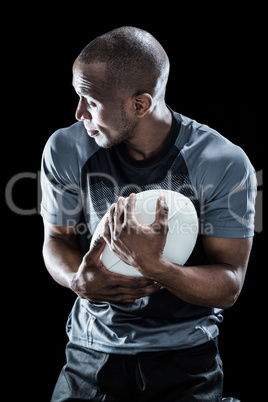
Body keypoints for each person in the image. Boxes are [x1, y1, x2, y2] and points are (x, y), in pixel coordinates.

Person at [41, 26, 256, 401]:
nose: (78, 113)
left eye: (90, 101)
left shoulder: (222, 161)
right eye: (77, 97)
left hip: (186, 357)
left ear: (139, 104)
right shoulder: (66, 147)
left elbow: (229, 285)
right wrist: (76, 280)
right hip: (90, 351)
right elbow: (55, 240)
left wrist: (155, 267)